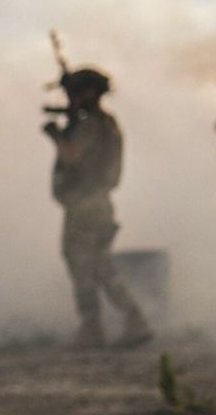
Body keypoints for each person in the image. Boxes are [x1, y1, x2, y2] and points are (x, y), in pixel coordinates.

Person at [42, 68, 152, 349]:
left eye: (77, 92)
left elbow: (72, 154)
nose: (73, 98)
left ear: (90, 92)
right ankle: (126, 320)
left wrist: (56, 135)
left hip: (86, 206)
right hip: (96, 204)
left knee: (86, 264)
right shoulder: (105, 123)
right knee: (97, 264)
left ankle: (98, 326)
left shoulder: (91, 124)